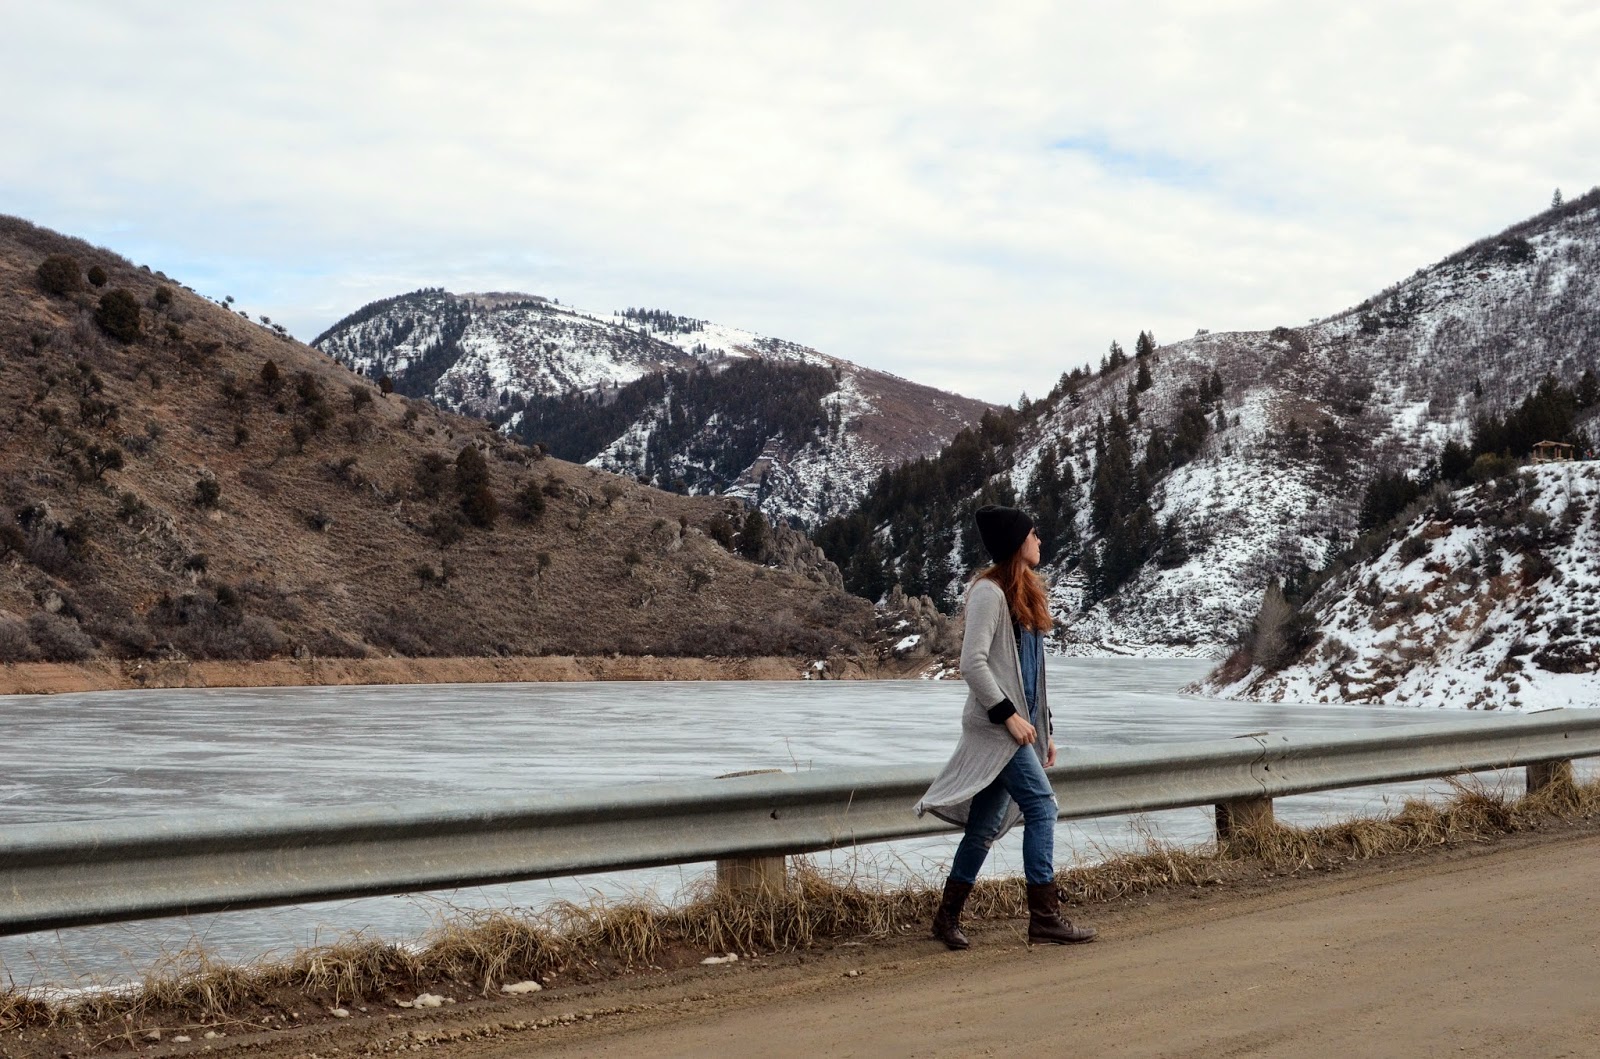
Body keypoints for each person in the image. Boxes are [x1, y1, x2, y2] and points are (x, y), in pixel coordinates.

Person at [914, 504, 1096, 949]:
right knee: (1042, 807)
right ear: (1017, 542)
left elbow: (1031, 675)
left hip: (1019, 729)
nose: (1040, 541)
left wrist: (1043, 726)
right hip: (998, 729)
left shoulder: (1025, 594)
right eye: (1034, 533)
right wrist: (1009, 716)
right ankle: (1045, 917)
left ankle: (946, 918)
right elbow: (971, 664)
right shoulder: (988, 593)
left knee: (984, 825)